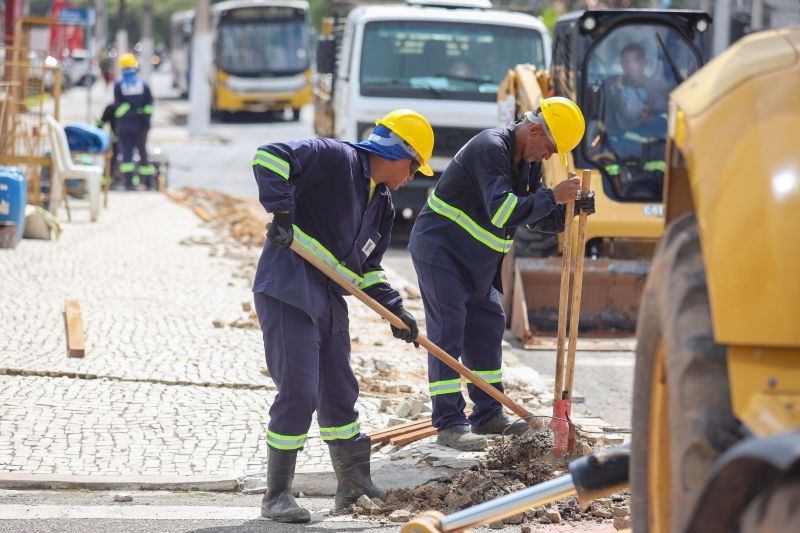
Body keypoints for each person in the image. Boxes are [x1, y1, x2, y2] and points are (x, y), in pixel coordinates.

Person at [252, 109, 434, 522]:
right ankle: (276, 494)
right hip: (287, 288)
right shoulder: (336, 159)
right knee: (299, 390)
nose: (412, 176)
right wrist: (282, 213)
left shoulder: (383, 206)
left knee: (339, 389)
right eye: (413, 165)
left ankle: (352, 484)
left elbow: (366, 270)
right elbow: (269, 157)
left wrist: (395, 310)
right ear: (396, 152)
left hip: (328, 297)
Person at [408, 97, 595, 451]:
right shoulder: (490, 148)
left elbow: (535, 216)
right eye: (550, 148)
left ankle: (489, 414)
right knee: (449, 329)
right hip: (442, 252)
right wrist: (554, 196)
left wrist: (571, 210)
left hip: (478, 262)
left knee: (488, 326)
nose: (549, 156)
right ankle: (449, 422)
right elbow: (504, 211)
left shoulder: (527, 164)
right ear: (536, 129)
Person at [603, 43, 669, 159]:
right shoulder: (612, 88)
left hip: (651, 146)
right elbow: (626, 116)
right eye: (626, 62)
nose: (630, 66)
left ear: (644, 63)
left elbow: (667, 116)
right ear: (622, 65)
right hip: (619, 148)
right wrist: (618, 93)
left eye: (635, 61)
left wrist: (652, 118)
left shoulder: (657, 88)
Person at [113, 53, 156, 190]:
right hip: (141, 126)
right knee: (143, 153)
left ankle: (129, 184)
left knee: (127, 155)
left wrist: (129, 108)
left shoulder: (119, 86)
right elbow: (149, 107)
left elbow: (118, 109)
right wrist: (144, 118)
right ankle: (148, 183)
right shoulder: (144, 85)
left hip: (125, 126)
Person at [97, 103, 119, 187]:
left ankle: (108, 180)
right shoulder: (111, 107)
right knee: (112, 159)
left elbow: (101, 123)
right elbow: (101, 123)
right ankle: (108, 180)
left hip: (120, 139)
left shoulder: (111, 107)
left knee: (113, 159)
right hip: (119, 139)